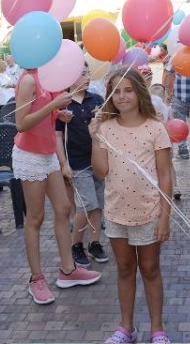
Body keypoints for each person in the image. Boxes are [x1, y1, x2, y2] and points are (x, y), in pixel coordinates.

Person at [89, 69, 175, 344]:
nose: (122, 96)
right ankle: (127, 328)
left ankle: (157, 329)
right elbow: (101, 171)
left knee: (150, 269)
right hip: (116, 213)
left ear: (139, 92)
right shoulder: (105, 128)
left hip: (149, 212)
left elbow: (165, 175)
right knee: (125, 269)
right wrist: (94, 138)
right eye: (115, 91)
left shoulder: (155, 127)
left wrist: (165, 216)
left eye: (127, 90)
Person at [13, 62, 101, 304]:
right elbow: (21, 123)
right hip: (30, 154)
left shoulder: (49, 76)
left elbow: (44, 115)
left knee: (63, 208)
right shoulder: (30, 79)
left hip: (48, 152)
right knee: (35, 217)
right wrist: (53, 106)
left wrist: (57, 114)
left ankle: (68, 270)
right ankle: (36, 279)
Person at [55, 66, 110, 266]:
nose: (87, 77)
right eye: (82, 74)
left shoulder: (95, 99)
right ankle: (75, 244)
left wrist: (103, 118)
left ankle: (94, 243)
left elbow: (107, 128)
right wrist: (63, 163)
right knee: (86, 205)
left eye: (88, 74)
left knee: (99, 205)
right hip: (77, 163)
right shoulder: (63, 103)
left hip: (98, 159)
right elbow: (58, 137)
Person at [162, 62, 190, 159]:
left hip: (183, 96)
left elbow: (168, 73)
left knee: (180, 123)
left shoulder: (177, 56)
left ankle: (184, 148)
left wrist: (167, 92)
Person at [0, 55, 19, 121]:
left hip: (9, 98)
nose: (6, 67)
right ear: (1, 67)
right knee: (3, 116)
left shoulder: (4, 75)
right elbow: (5, 85)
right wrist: (14, 85)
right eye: (4, 66)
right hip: (3, 100)